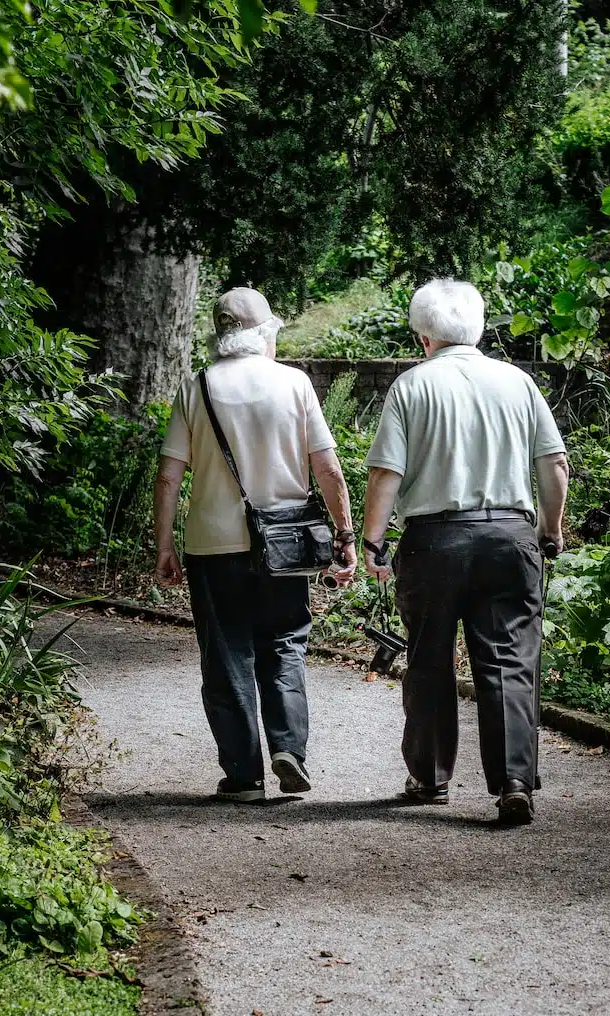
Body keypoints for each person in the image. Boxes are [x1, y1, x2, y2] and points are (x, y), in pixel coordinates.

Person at [362, 279, 569, 826]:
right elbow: (553, 464)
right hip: (508, 536)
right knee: (508, 661)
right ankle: (514, 782)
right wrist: (550, 529)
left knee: (428, 657)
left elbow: (387, 473)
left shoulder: (411, 387)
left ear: (424, 336)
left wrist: (373, 541)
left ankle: (429, 778)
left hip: (433, 541)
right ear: (478, 328)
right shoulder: (518, 382)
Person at [154, 286, 357, 803]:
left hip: (212, 546)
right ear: (264, 332)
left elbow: (168, 477)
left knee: (226, 656)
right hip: (285, 544)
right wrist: (345, 535)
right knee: (285, 643)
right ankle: (289, 748)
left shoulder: (196, 387)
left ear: (220, 334)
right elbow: (328, 469)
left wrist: (164, 545)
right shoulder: (295, 383)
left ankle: (243, 775)